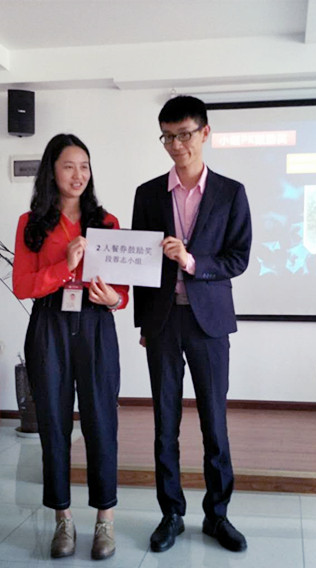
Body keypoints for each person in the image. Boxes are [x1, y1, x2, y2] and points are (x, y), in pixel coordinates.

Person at [132, 95, 252, 553]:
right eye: (168, 137)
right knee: (165, 422)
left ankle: (217, 515)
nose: (177, 145)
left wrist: (192, 261)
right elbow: (141, 265)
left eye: (184, 135)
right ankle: (171, 514)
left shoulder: (230, 192)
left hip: (210, 324)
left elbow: (238, 258)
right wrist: (144, 323)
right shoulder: (148, 194)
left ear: (205, 133)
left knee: (214, 423)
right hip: (163, 322)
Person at [12, 133, 129, 561]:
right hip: (49, 326)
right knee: (54, 425)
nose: (78, 175)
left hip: (96, 325)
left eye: (84, 166)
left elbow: (121, 291)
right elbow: (23, 286)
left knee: (101, 421)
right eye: (68, 166)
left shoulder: (107, 222)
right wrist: (66, 266)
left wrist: (113, 299)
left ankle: (105, 519)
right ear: (52, 171)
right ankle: (63, 518)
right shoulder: (31, 223)